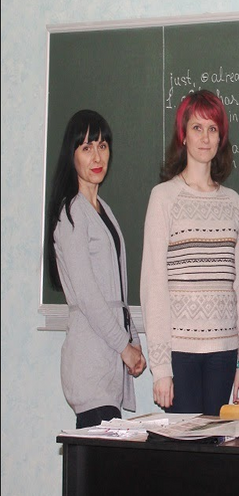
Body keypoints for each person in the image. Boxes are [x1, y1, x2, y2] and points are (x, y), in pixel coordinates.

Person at [140, 90, 239, 416]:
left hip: (224, 352)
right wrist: (161, 368)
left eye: (212, 129)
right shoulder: (163, 198)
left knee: (217, 444)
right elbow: (153, 286)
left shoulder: (233, 202)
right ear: (183, 135)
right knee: (183, 446)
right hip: (180, 353)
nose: (205, 137)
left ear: (221, 138)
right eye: (197, 128)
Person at [45, 109, 146, 428]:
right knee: (95, 457)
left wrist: (134, 342)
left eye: (102, 146)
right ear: (72, 155)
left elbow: (116, 292)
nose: (97, 156)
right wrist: (124, 347)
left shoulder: (104, 211)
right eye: (86, 147)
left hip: (108, 362)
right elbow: (89, 296)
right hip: (90, 362)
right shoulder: (72, 213)